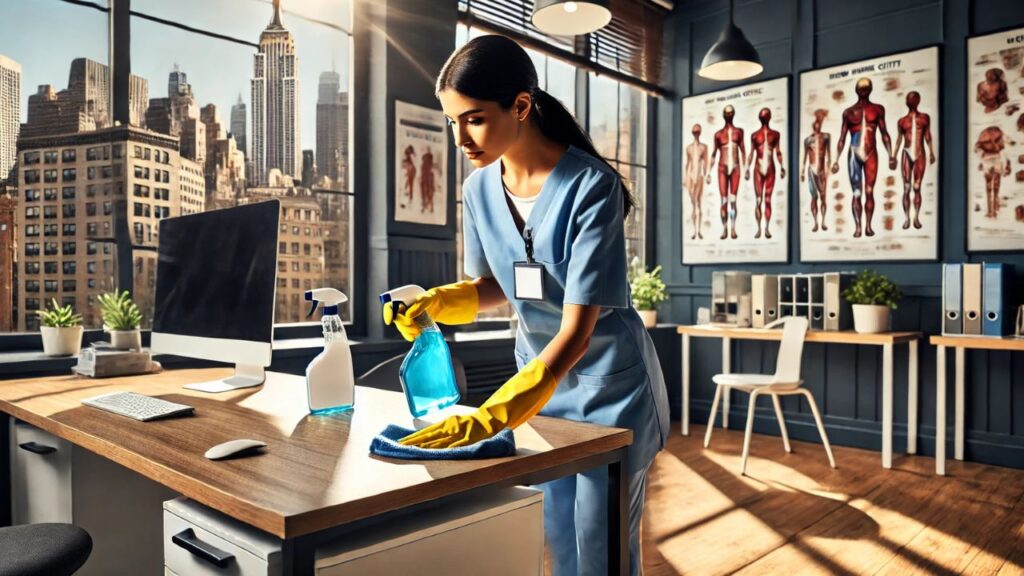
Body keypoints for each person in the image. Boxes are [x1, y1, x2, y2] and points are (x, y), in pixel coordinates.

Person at [382, 34, 669, 576]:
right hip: (538, 391)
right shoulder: (477, 190)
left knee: (600, 540)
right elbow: (498, 285)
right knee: (558, 536)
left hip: (608, 388)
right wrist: (440, 302)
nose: (460, 137)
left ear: (520, 105)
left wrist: (497, 412)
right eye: (451, 122)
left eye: (473, 119)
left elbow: (578, 329)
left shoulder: (591, 186)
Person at [832, 77, 894, 238]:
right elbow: (842, 138)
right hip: (854, 153)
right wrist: (836, 160)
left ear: (871, 89)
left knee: (869, 191)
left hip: (871, 152)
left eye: (866, 88)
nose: (864, 91)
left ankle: (868, 226)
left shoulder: (878, 109)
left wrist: (891, 155)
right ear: (857, 90)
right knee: (857, 193)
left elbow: (884, 134)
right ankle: (858, 227)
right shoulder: (849, 112)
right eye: (861, 88)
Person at [893, 91, 936, 230]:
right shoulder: (902, 121)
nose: (910, 101)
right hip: (906, 153)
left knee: (917, 187)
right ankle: (906, 218)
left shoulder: (924, 118)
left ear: (917, 101)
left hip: (920, 153)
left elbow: (928, 135)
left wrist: (931, 152)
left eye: (912, 99)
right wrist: (893, 155)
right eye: (908, 99)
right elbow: (899, 139)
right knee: (906, 188)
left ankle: (916, 217)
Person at [745, 107, 785, 239]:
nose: (764, 117)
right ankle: (758, 229)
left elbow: (778, 152)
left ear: (769, 117)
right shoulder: (755, 135)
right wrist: (746, 168)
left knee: (767, 199)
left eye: (766, 115)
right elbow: (751, 153)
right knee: (758, 200)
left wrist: (782, 166)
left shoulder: (775, 134)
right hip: (758, 169)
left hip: (770, 169)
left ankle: (766, 228)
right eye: (763, 115)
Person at [708, 105, 746, 239]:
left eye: (731, 113)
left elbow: (743, 151)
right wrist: (708, 172)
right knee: (723, 200)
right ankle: (724, 229)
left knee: (733, 200)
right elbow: (713, 154)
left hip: (735, 167)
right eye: (726, 113)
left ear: (733, 114)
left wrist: (746, 169)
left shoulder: (739, 132)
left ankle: (733, 228)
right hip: (722, 168)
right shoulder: (718, 134)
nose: (729, 115)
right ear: (723, 115)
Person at [801, 109, 832, 232]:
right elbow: (804, 156)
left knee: (823, 196)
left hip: (821, 170)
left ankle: (823, 221)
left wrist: (828, 169)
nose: (817, 126)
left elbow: (829, 155)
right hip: (811, 170)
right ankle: (815, 222)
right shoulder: (808, 140)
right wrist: (802, 171)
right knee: (814, 197)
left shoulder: (826, 137)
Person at [975, 125, 1011, 218]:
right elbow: (1007, 146)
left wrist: (981, 156)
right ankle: (993, 211)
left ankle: (991, 211)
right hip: (996, 160)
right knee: (995, 187)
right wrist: (1008, 163)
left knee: (989, 188)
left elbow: (976, 148)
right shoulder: (998, 134)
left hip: (987, 160)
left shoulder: (984, 135)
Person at [685, 123, 709, 240]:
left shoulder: (703, 147)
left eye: (697, 132)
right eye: (695, 132)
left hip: (699, 176)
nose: (696, 134)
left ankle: (698, 231)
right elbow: (687, 163)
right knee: (693, 204)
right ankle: (695, 231)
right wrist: (685, 178)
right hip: (690, 176)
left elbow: (705, 162)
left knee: (697, 203)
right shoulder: (689, 148)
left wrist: (707, 175)